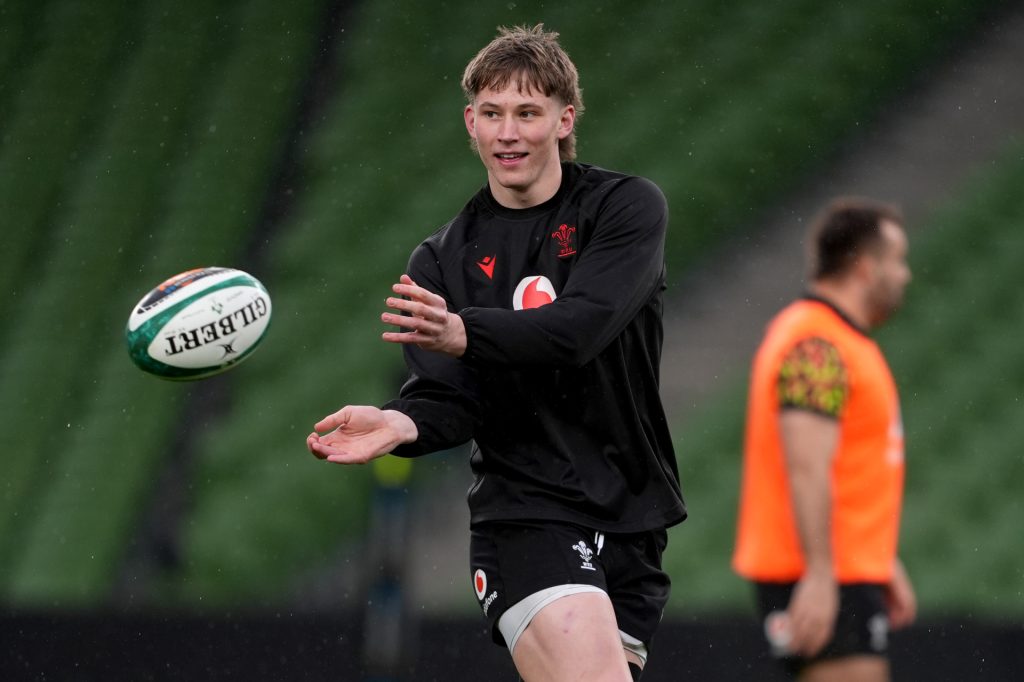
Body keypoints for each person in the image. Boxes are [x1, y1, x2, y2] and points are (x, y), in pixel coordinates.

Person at [306, 24, 685, 682]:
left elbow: (580, 329)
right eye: (493, 113)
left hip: (632, 516)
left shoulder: (623, 209)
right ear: (470, 123)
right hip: (526, 516)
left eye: (528, 113)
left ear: (564, 120)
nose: (509, 132)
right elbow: (451, 398)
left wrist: (466, 332)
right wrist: (402, 421)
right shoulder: (441, 259)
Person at [732, 198, 917, 681]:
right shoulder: (815, 345)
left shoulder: (835, 338)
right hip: (817, 571)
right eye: (897, 261)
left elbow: (848, 464)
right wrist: (819, 575)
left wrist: (880, 557)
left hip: (844, 566)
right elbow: (806, 466)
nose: (905, 276)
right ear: (863, 267)